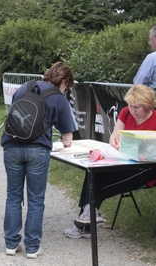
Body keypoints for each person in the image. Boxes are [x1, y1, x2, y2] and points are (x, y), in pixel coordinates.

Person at [0, 62, 76, 259]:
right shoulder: (59, 99)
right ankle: (32, 247)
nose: (66, 90)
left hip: (11, 146)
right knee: (35, 199)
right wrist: (64, 142)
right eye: (67, 87)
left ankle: (11, 244)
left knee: (13, 195)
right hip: (38, 151)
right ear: (64, 82)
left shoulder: (24, 87)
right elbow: (67, 137)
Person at [64, 84, 156, 239]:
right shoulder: (126, 113)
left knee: (96, 185)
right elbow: (113, 137)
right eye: (131, 106)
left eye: (137, 107)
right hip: (124, 163)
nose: (133, 111)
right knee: (92, 172)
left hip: (147, 169)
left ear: (148, 104)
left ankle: (86, 223)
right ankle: (89, 216)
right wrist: (115, 143)